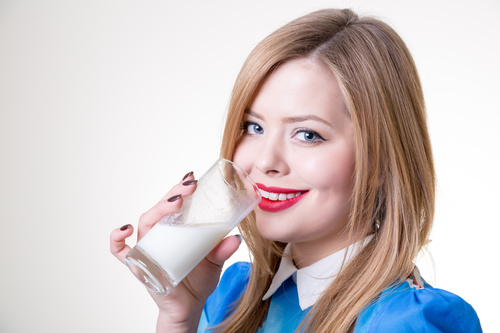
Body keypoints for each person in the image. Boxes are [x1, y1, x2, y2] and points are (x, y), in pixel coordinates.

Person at [110, 8, 482, 332]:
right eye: (254, 127)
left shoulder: (407, 322)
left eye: (307, 134)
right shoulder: (229, 295)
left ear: (382, 161)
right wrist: (179, 319)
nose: (265, 162)